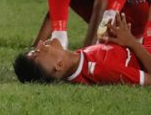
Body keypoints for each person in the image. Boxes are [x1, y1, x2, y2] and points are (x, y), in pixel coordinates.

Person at [15, 14, 151, 86]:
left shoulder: (80, 60)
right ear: (59, 65)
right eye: (39, 52)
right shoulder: (98, 69)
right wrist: (131, 42)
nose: (40, 43)